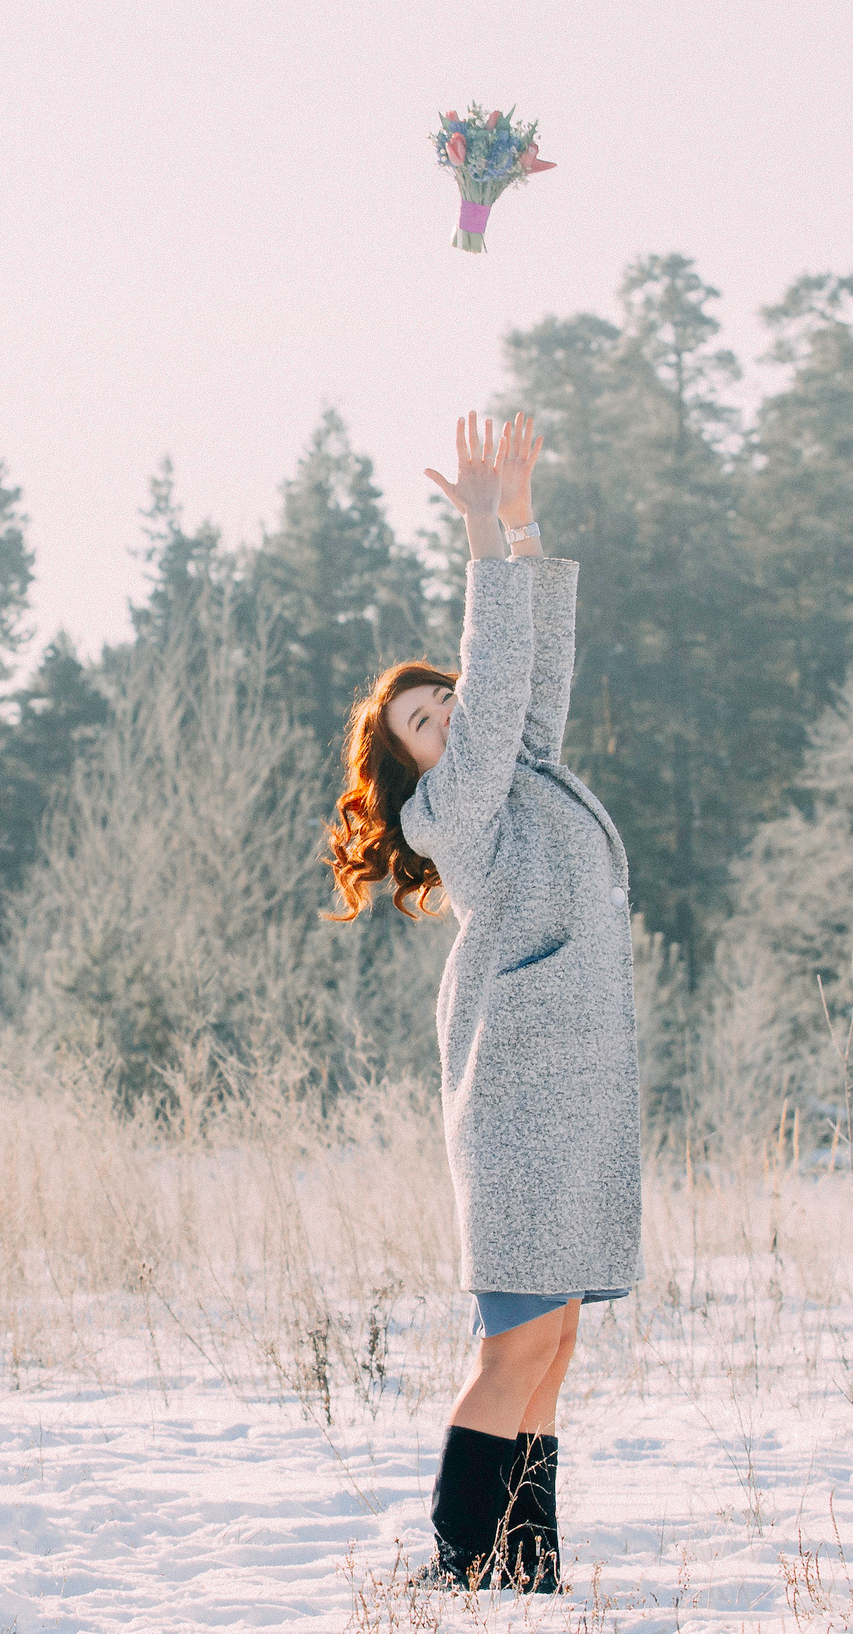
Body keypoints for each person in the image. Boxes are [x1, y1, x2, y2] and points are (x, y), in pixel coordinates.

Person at [323, 412, 642, 1593]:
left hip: (576, 1084)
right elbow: (503, 680)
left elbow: (527, 676)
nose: (451, 714)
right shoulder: (445, 814)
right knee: (515, 1342)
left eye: (446, 698)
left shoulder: (519, 778)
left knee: (552, 1344)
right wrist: (477, 532)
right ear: (410, 765)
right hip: (519, 1094)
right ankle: (459, 1571)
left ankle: (528, 1565)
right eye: (425, 721)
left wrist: (523, 527)